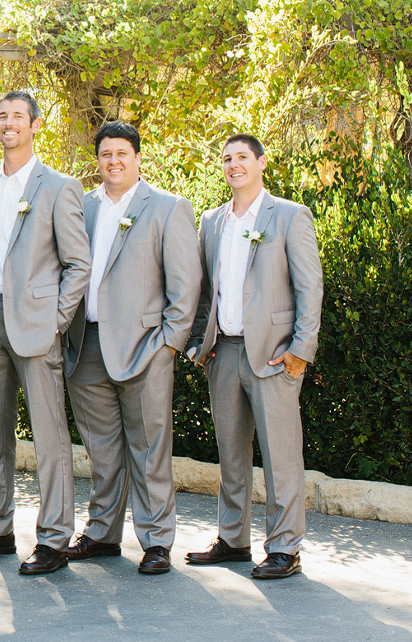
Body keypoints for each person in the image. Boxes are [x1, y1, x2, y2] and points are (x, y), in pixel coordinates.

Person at [0, 91, 92, 575]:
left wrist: (54, 320)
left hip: (35, 326)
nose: (8, 123)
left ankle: (54, 538)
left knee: (50, 437)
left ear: (35, 124)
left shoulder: (59, 186)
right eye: (2, 115)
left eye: (18, 116)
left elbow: (78, 264)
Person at [64, 121, 202, 575]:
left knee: (150, 448)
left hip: (146, 347)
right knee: (101, 448)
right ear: (97, 159)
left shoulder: (166, 207)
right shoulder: (80, 206)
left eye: (122, 152)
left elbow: (185, 287)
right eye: (106, 154)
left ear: (138, 157)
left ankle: (156, 540)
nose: (114, 161)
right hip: (86, 345)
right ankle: (103, 533)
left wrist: (168, 345)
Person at [184, 134, 322, 580]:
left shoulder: (288, 216)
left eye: (242, 157)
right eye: (226, 158)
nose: (233, 164)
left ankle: (285, 548)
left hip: (274, 357)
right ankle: (232, 540)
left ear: (261, 163)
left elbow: (309, 288)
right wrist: (198, 345)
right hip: (223, 352)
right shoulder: (211, 221)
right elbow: (206, 290)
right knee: (231, 454)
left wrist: (301, 350)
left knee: (280, 455)